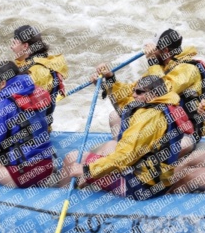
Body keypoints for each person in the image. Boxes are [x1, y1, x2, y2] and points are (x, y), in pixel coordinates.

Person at [60, 75, 194, 201]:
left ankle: (59, 204)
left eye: (139, 92)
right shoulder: (166, 104)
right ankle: (81, 188)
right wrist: (109, 80)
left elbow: (125, 156)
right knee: (110, 147)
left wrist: (87, 170)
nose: (134, 94)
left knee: (72, 158)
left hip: (138, 187)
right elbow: (126, 101)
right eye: (134, 90)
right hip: (158, 182)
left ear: (153, 94)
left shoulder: (148, 118)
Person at [94, 28, 205, 153]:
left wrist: (152, 61)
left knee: (179, 145)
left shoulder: (189, 69)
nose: (150, 52)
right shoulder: (159, 66)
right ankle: (121, 154)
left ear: (165, 50)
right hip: (155, 124)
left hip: (183, 131)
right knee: (115, 117)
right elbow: (133, 93)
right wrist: (110, 79)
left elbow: (162, 92)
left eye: (154, 49)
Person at [11, 25, 68, 126]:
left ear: (25, 46)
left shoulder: (36, 71)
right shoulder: (44, 61)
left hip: (30, 132)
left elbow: (16, 101)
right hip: (38, 126)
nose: (11, 47)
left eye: (14, 43)